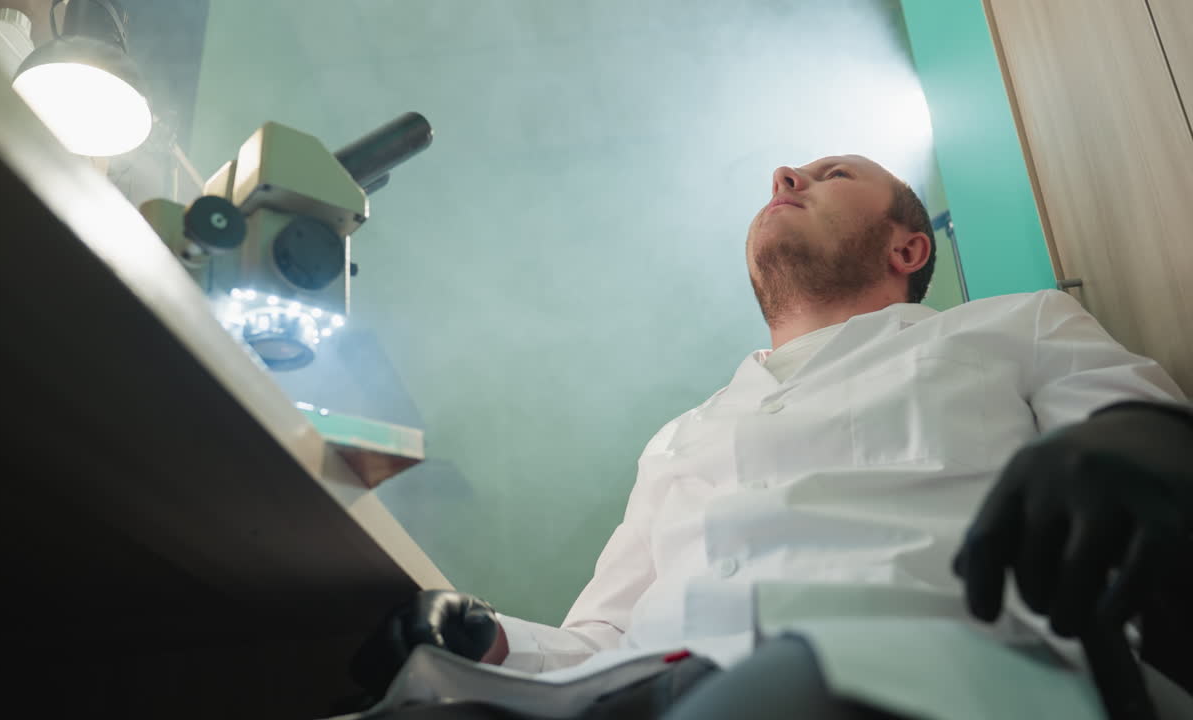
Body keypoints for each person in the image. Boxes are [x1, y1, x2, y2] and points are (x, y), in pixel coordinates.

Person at [348, 155, 1193, 719]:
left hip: (912, 667)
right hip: (640, 691)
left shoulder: (1017, 326)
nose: (786, 175)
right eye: (794, 173)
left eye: (832, 174)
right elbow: (603, 639)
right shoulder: (680, 436)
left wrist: (1128, 442)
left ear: (908, 248)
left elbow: (1154, 444)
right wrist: (492, 639)